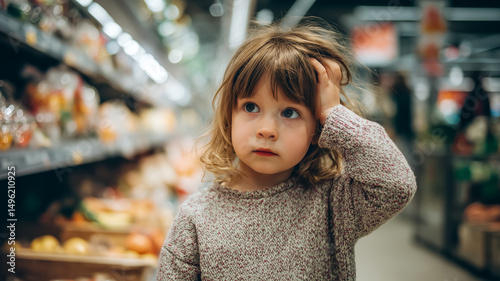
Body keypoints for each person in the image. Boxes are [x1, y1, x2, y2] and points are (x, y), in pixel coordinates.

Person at [156, 21, 417, 281]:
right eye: (250, 107)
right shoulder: (196, 216)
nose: (267, 130)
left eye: (290, 112)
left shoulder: (332, 204)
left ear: (317, 129)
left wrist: (333, 114)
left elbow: (396, 184)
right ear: (229, 117)